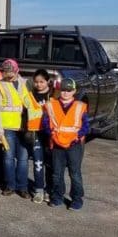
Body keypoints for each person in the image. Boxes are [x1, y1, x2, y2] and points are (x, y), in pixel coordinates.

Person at [0, 59, 41, 199]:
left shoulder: (27, 83)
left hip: (24, 128)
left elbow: (35, 101)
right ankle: (10, 186)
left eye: (11, 72)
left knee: (23, 159)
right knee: (8, 158)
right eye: (6, 72)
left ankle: (23, 187)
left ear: (17, 70)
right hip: (7, 128)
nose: (9, 75)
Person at [44, 78, 89, 210]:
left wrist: (77, 137)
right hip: (57, 145)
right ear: (59, 90)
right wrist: (51, 134)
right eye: (63, 90)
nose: (65, 93)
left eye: (69, 90)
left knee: (75, 173)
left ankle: (77, 199)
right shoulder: (51, 105)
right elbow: (46, 122)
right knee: (57, 174)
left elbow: (85, 126)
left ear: (74, 91)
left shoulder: (80, 106)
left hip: (74, 146)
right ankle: (57, 197)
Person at [30, 69, 52, 204]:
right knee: (38, 163)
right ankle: (39, 190)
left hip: (50, 134)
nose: (39, 85)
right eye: (36, 82)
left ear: (47, 81)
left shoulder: (54, 96)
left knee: (50, 164)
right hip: (36, 133)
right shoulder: (30, 95)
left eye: (42, 82)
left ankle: (49, 190)